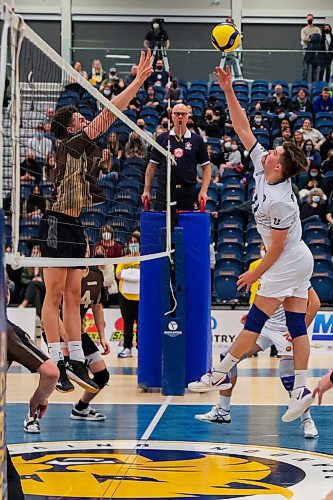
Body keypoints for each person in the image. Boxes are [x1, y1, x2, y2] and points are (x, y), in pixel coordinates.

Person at [188, 64, 314, 424]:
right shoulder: (264, 166)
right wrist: (228, 89)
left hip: (287, 259)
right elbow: (242, 127)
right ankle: (303, 388)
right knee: (297, 326)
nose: (268, 152)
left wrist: (252, 273)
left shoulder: (280, 201)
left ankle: (218, 372)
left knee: (256, 320)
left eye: (274, 153)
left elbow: (274, 250)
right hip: (297, 258)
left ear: (279, 167)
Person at [38, 50, 153, 393]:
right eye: (79, 118)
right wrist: (138, 81)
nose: (84, 120)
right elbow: (109, 114)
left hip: (74, 225)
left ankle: (74, 358)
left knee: (74, 295)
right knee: (55, 295)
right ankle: (56, 356)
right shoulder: (71, 143)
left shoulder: (80, 148)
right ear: (70, 128)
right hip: (56, 223)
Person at [195, 287, 320, 439]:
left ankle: (307, 420)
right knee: (227, 357)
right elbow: (265, 297)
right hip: (265, 328)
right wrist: (253, 315)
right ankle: (222, 411)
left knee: (289, 379)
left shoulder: (295, 271)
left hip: (287, 331)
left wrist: (301, 328)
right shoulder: (266, 273)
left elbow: (315, 303)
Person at [56, 267, 111, 421]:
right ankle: (33, 415)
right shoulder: (62, 274)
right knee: (56, 375)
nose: (85, 249)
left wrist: (102, 337)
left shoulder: (96, 275)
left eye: (86, 245)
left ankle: (81, 408)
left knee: (102, 375)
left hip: (78, 333)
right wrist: (70, 343)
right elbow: (53, 311)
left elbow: (98, 307)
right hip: (56, 330)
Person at [142, 103, 211, 218]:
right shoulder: (162, 138)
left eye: (183, 114)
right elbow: (152, 166)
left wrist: (203, 191)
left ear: (188, 117)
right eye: (177, 114)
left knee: (187, 228)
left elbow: (207, 167)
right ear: (172, 116)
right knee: (162, 227)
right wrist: (146, 190)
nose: (180, 117)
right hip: (164, 191)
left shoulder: (197, 140)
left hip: (187, 191)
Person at [116, 234, 140, 358]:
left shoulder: (144, 258)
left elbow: (144, 275)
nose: (133, 244)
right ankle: (127, 348)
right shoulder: (123, 259)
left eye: (135, 242)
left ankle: (141, 348)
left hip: (140, 297)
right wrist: (134, 274)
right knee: (127, 323)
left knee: (141, 324)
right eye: (131, 242)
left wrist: (128, 274)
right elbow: (118, 274)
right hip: (125, 296)